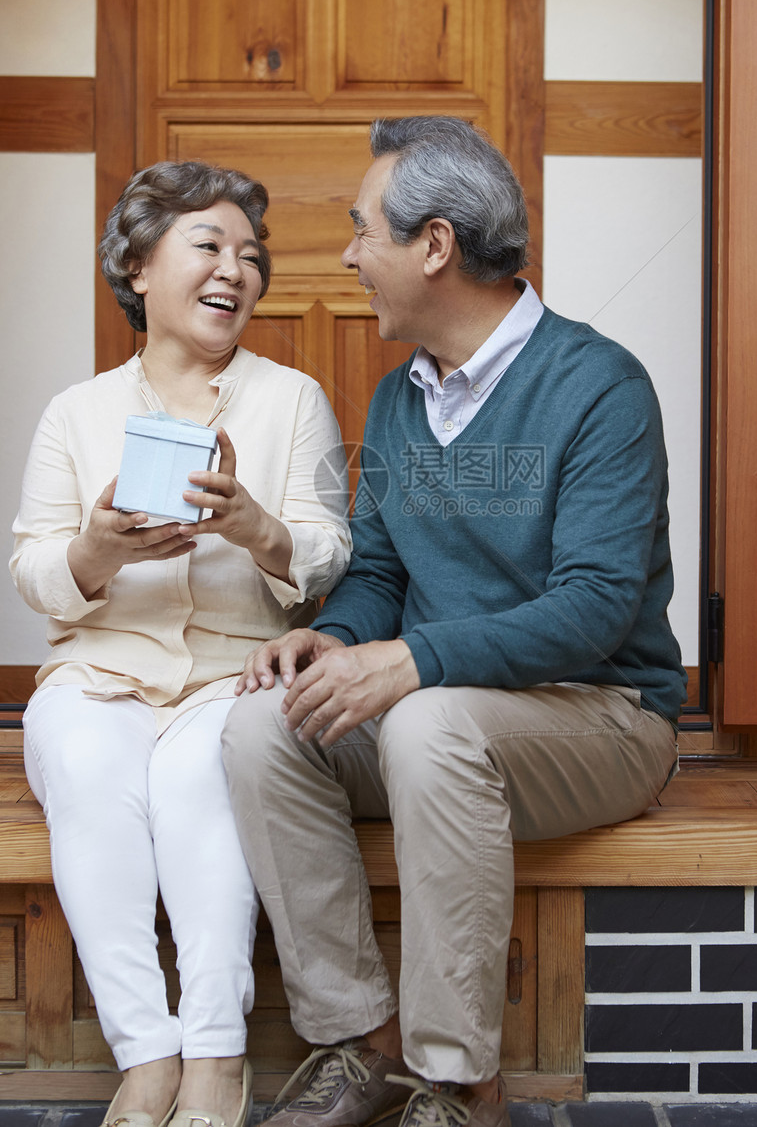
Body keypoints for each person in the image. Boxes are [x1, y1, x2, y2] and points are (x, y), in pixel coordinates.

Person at [222, 116, 686, 1127]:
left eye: (361, 232)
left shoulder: (599, 386)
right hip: (452, 719)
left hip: (601, 714)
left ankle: (458, 1082)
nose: (347, 256)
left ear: (432, 246)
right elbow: (381, 568)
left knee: (432, 721)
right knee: (264, 721)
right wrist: (336, 638)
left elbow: (599, 607)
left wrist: (415, 660)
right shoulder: (397, 401)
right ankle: (363, 1046)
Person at [10, 160, 351, 1127]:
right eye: (208, 245)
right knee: (81, 761)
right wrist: (96, 550)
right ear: (137, 266)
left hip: (233, 676)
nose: (234, 270)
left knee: (203, 775)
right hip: (100, 671)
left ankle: (212, 1055)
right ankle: (144, 1052)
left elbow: (331, 553)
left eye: (251, 255)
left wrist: (253, 525)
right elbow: (31, 564)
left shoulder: (293, 400)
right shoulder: (77, 413)